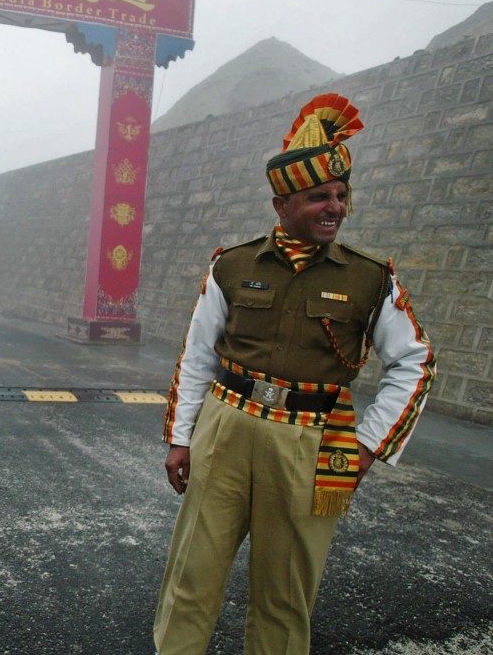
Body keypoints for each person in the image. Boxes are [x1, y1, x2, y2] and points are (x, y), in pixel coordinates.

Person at [153, 94, 436, 655]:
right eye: (318, 198)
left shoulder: (370, 279)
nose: (335, 208)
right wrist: (181, 437)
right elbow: (198, 355)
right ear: (282, 205)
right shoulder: (231, 265)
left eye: (340, 196)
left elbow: (415, 360)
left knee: (285, 596)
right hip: (225, 430)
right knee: (192, 575)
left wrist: (368, 445)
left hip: (312, 444)